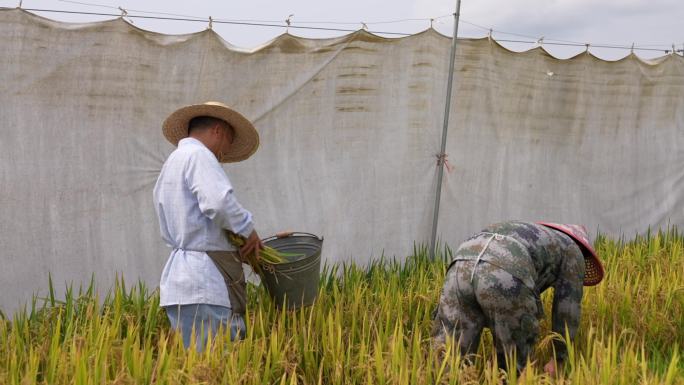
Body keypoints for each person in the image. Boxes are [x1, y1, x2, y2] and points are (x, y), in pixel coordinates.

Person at [153, 101, 263, 351]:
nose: (224, 153)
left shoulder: (173, 162)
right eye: (229, 142)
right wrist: (249, 232)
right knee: (220, 364)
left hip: (182, 286)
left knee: (196, 367)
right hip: (205, 282)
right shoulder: (199, 155)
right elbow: (219, 202)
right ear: (218, 130)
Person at [432, 221, 604, 376]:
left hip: (461, 262)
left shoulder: (529, 231)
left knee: (448, 363)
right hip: (506, 269)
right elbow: (568, 309)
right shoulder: (572, 249)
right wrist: (560, 358)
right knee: (511, 368)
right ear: (583, 247)